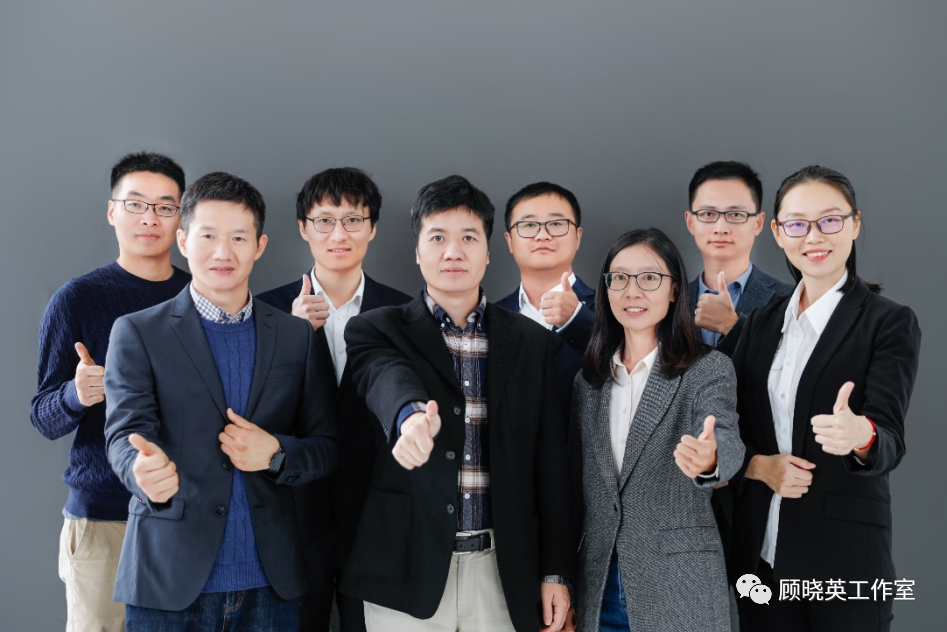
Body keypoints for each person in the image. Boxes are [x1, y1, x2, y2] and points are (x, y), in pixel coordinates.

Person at [104, 172, 341, 630]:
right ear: (183, 241)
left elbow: (326, 447)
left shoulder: (295, 336)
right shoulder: (137, 332)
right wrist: (139, 471)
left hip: (270, 585)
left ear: (260, 245)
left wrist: (275, 455)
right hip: (168, 578)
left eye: (238, 237)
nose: (222, 252)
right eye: (208, 235)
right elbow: (123, 435)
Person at [340, 175, 575, 632]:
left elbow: (551, 467)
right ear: (417, 251)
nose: (453, 251)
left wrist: (555, 571)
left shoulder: (532, 342)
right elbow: (385, 376)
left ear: (488, 251)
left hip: (504, 572)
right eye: (437, 238)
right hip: (405, 571)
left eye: (468, 238)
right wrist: (409, 418)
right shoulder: (377, 328)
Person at [730, 166, 921, 631]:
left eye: (830, 220)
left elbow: (889, 441)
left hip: (845, 561)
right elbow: (729, 428)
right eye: (797, 223)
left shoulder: (888, 323)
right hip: (763, 561)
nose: (814, 236)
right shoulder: (758, 325)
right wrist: (758, 466)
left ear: (855, 224)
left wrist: (861, 436)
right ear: (778, 233)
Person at [30, 152, 191, 632]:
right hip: (103, 520)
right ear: (111, 211)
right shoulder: (77, 298)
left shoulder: (200, 295)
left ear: (182, 217)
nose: (150, 218)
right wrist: (76, 394)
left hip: (187, 515)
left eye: (165, 207)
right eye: (135, 204)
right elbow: (43, 417)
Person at [258, 167, 410, 632]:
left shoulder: (404, 312)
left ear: (372, 228)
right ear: (303, 228)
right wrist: (292, 334)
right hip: (292, 509)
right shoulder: (265, 311)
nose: (338, 234)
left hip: (376, 512)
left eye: (353, 220)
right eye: (324, 221)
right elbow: (258, 410)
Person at [570, 228, 744, 632]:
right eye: (619, 278)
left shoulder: (707, 369)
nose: (633, 291)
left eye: (649, 278)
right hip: (599, 585)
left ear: (673, 290)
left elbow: (725, 435)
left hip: (679, 586)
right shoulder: (588, 383)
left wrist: (711, 459)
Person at [684, 161, 793, 566]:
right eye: (708, 214)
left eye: (735, 215)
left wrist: (735, 327)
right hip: (681, 502)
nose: (720, 226)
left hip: (763, 494)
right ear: (690, 222)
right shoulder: (665, 301)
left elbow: (796, 380)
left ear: (759, 222)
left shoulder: (790, 300)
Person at [496, 182, 595, 406]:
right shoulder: (489, 316)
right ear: (509, 241)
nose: (542, 235)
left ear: (578, 236)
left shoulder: (609, 307)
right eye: (529, 225)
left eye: (556, 224)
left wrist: (576, 318)